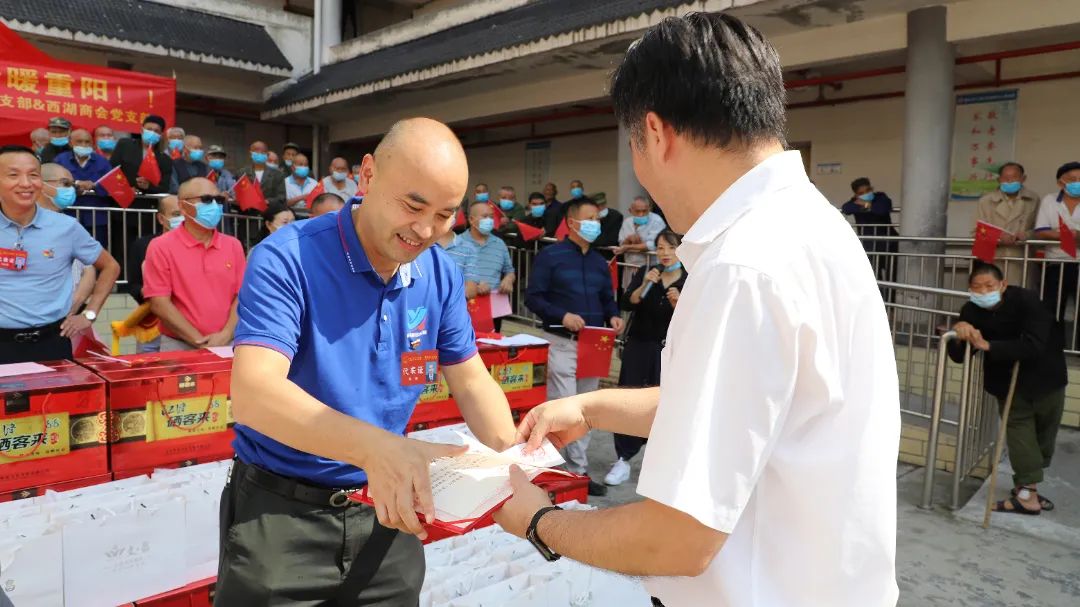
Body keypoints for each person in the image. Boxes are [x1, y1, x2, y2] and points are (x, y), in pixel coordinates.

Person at [494, 14, 899, 607]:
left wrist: (540, 520)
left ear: (656, 133)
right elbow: (741, 409)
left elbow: (676, 540)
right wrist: (594, 407)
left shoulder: (742, 266)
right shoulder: (814, 226)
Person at [217, 117, 517, 604]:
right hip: (281, 517)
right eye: (413, 206)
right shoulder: (288, 258)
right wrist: (377, 450)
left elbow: (471, 381)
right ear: (369, 175)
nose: (425, 230)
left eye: (445, 215)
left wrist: (515, 456)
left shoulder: (438, 274)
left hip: (390, 511)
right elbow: (254, 394)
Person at [525, 196, 624, 497]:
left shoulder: (598, 262)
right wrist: (562, 315)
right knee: (563, 407)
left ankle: (578, 472)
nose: (596, 224)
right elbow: (533, 297)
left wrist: (614, 315)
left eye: (598, 219)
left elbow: (607, 298)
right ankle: (556, 471)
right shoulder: (550, 256)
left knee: (585, 410)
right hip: (561, 342)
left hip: (593, 345)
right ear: (571, 223)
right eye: (590, 218)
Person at [948, 263, 1065, 515]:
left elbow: (1035, 344)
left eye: (989, 286)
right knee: (1020, 436)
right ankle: (1027, 496)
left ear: (1003, 285)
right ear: (969, 289)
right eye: (976, 287)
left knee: (1044, 437)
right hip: (1007, 384)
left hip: (1046, 378)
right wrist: (959, 333)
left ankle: (1027, 485)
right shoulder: (970, 311)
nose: (983, 292)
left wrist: (989, 346)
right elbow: (959, 356)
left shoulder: (1027, 301)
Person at [0, 145, 120, 363]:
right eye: (13, 175)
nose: (26, 183)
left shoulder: (66, 227)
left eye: (33, 175)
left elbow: (110, 266)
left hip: (52, 343)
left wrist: (89, 314)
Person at [603, 230, 686, 487]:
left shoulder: (691, 278)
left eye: (670, 248)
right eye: (660, 248)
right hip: (638, 346)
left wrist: (680, 304)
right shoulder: (646, 272)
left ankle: (662, 462)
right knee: (628, 399)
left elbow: (698, 318)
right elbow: (628, 303)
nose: (665, 253)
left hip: (670, 351)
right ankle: (623, 459)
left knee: (666, 404)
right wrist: (644, 284)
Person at [142, 178, 246, 352]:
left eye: (219, 200)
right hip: (179, 345)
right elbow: (159, 303)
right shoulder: (160, 247)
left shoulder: (233, 245)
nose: (214, 205)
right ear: (183, 207)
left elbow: (242, 296)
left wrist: (227, 334)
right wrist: (199, 341)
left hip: (227, 343)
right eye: (206, 199)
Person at [35, 164, 97, 317]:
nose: (71, 190)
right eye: (66, 184)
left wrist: (75, 305)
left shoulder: (71, 225)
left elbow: (90, 269)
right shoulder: (19, 224)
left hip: (67, 318)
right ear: (42, 185)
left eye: (73, 185)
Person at [126, 195, 183, 353]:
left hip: (187, 325)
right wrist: (151, 293)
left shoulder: (197, 246)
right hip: (151, 325)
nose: (182, 219)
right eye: (176, 214)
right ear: (161, 218)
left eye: (185, 213)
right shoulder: (143, 245)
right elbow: (133, 284)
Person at [1033, 161, 1080, 343]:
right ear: (1061, 183)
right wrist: (1065, 235)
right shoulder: (1050, 200)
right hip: (1055, 262)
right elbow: (1040, 231)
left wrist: (1075, 235)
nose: (1077, 183)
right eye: (1072, 179)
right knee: (1052, 308)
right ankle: (1054, 348)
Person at [458, 201, 516, 329]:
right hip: (465, 306)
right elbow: (450, 275)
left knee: (492, 339)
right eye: (485, 216)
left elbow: (509, 270)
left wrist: (508, 279)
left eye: (491, 217)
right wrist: (473, 285)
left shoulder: (499, 243)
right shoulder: (458, 243)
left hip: (494, 307)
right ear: (471, 220)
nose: (489, 220)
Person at [54, 129, 114, 247]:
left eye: (87, 142)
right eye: (79, 141)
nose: (84, 145)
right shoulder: (60, 160)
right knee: (66, 250)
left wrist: (94, 186)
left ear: (93, 144)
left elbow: (111, 185)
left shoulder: (102, 161)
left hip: (96, 218)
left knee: (96, 251)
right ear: (70, 143)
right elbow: (54, 182)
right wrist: (76, 183)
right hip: (68, 215)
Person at [974, 162, 1039, 264]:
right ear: (999, 180)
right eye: (1005, 178)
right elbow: (975, 231)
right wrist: (998, 236)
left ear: (1023, 179)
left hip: (1021, 258)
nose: (1009, 181)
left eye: (1014, 177)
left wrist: (1026, 235)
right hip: (993, 259)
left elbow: (1040, 231)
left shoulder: (1033, 199)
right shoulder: (985, 201)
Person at [841, 177, 899, 279]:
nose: (866, 194)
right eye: (861, 193)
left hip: (889, 245)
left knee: (892, 277)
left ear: (871, 189)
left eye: (868, 190)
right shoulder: (855, 202)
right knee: (874, 279)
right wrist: (870, 207)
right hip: (870, 247)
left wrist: (866, 205)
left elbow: (882, 209)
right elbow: (846, 208)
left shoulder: (880, 197)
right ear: (856, 195)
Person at [110, 114, 175, 195]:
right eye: (149, 129)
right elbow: (112, 171)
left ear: (161, 135)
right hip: (122, 196)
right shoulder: (125, 145)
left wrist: (149, 186)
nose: (152, 133)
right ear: (142, 130)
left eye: (156, 131)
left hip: (147, 200)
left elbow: (164, 188)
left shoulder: (165, 159)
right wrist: (125, 188)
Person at [616, 196, 667, 273]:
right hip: (630, 265)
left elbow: (652, 245)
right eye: (637, 211)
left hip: (650, 266)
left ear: (649, 209)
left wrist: (628, 247)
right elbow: (621, 244)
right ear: (630, 210)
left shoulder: (656, 221)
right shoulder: (627, 222)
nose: (641, 214)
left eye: (644, 211)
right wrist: (628, 239)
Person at [235, 141, 287, 208]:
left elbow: (281, 197)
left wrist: (267, 201)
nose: (259, 154)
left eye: (263, 152)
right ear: (250, 154)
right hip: (248, 211)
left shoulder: (278, 174)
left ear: (267, 155)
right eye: (256, 151)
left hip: (270, 210)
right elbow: (239, 195)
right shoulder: (242, 173)